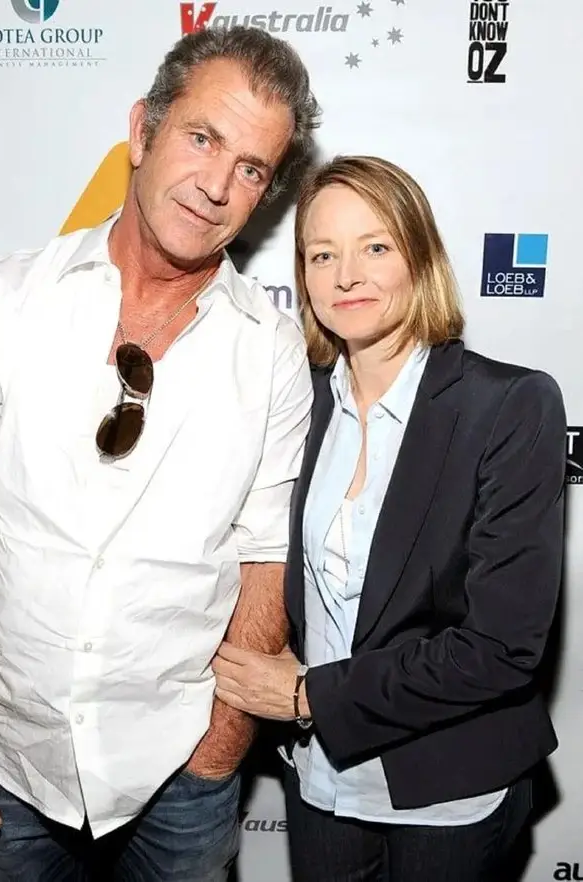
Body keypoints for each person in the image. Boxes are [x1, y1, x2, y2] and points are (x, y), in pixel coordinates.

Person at [0, 26, 320, 882]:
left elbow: (266, 557)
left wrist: (217, 751)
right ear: (142, 131)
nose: (215, 186)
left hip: (179, 774)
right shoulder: (2, 301)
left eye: (250, 169)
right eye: (201, 138)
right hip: (0, 760)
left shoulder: (271, 351)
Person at [213, 155, 566, 882]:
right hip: (319, 784)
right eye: (322, 255)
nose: (346, 276)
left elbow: (500, 648)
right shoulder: (298, 401)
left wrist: (309, 696)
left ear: (419, 257)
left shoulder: (508, 405)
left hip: (449, 787)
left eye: (374, 247)